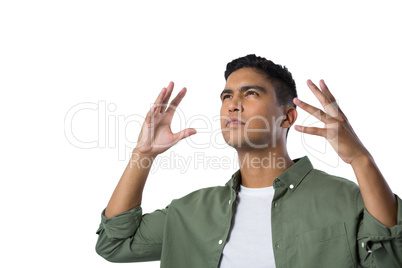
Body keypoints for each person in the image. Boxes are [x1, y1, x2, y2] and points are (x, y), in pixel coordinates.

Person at [95, 54, 402, 267]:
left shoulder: (345, 200)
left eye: (250, 93)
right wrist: (143, 155)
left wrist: (361, 159)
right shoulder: (190, 212)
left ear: (288, 117)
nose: (233, 105)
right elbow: (115, 244)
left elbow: (394, 256)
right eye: (226, 96)